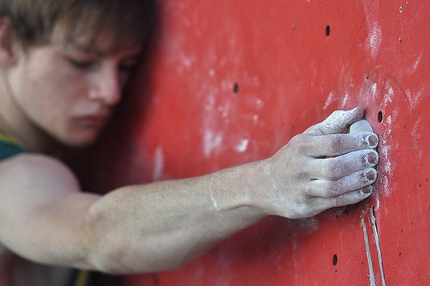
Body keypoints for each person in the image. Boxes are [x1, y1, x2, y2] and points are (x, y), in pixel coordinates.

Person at [0, 0, 379, 285]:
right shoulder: (13, 175)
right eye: (81, 61)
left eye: (126, 67)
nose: (111, 92)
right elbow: (95, 234)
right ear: (7, 42)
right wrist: (267, 183)